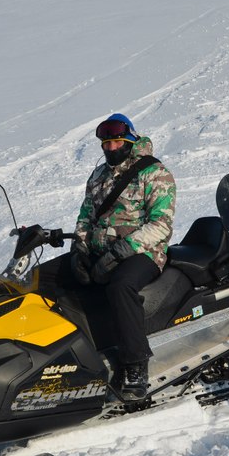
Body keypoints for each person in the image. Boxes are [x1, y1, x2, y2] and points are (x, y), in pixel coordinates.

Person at [70, 113, 176, 401]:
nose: (111, 148)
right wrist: (79, 249)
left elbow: (161, 225)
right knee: (56, 278)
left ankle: (135, 365)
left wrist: (122, 250)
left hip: (144, 252)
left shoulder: (154, 173)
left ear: (129, 139)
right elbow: (85, 216)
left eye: (116, 142)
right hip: (101, 249)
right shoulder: (99, 175)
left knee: (120, 286)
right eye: (106, 144)